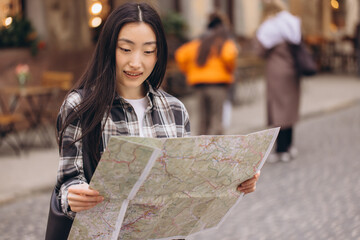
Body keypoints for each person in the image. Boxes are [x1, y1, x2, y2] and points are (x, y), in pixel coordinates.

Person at [52, 1, 259, 232]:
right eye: (126, 49)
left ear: (158, 53)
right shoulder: (80, 106)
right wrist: (73, 196)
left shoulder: (175, 110)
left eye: (148, 51)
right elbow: (68, 179)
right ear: (109, 48)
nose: (136, 62)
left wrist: (234, 181)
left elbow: (186, 184)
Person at [175, 11, 238, 135]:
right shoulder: (224, 42)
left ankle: (201, 149)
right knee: (216, 119)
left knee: (202, 120)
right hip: (218, 85)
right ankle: (215, 149)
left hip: (199, 84)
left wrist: (188, 71)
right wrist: (229, 70)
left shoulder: (198, 42)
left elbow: (180, 55)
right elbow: (229, 56)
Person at [253, 0, 301, 162]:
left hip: (277, 73)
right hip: (293, 72)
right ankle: (289, 145)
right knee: (289, 109)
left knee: (278, 110)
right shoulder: (291, 23)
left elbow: (259, 51)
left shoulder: (271, 27)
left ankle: (281, 149)